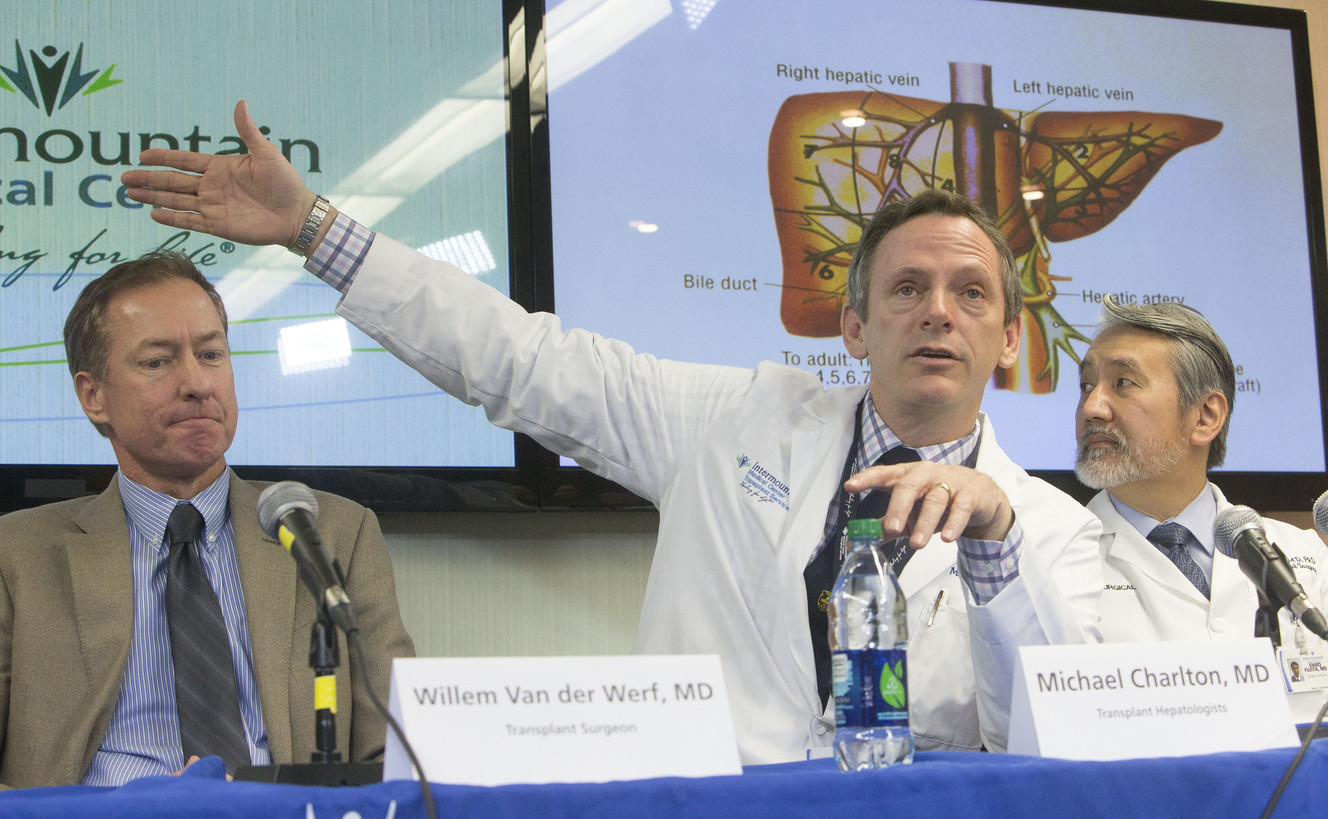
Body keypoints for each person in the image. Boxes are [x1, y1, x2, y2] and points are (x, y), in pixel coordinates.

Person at [121, 101, 1102, 764]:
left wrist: (995, 553)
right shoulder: (735, 421)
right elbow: (515, 358)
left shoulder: (1051, 533)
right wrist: (314, 231)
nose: (937, 311)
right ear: (851, 325)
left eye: (969, 293)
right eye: (905, 288)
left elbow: (1056, 749)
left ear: (1009, 336)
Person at [0, 251, 414, 789]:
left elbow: (398, 750)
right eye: (158, 361)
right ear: (93, 396)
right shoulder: (17, 555)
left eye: (212, 354)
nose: (198, 383)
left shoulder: (331, 534)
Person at [1075, 296, 1327, 719]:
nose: (1091, 407)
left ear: (1206, 416)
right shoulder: (1057, 555)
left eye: (1122, 383)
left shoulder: (1311, 559)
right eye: (1086, 386)